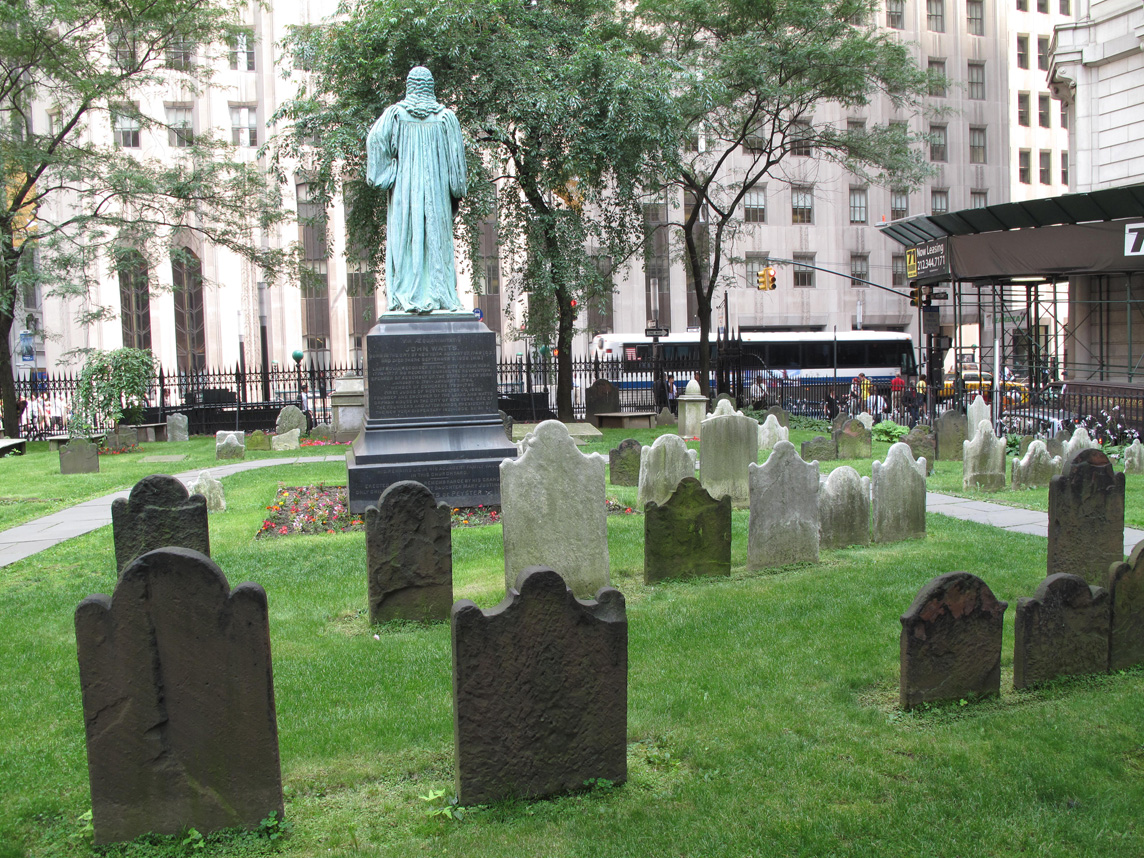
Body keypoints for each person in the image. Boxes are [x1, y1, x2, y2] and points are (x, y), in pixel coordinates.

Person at [366, 66, 468, 313]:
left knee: (406, 244)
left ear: (409, 87)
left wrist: (390, 173)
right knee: (436, 243)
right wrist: (454, 191)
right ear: (430, 87)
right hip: (436, 198)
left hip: (405, 197)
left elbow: (374, 144)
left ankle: (409, 292)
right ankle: (438, 293)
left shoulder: (395, 116)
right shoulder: (446, 119)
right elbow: (458, 175)